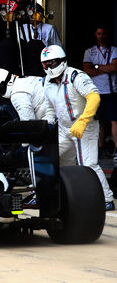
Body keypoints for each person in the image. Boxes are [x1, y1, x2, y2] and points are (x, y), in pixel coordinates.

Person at [41, 45, 114, 211]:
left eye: (51, 63)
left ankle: (106, 198)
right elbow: (49, 109)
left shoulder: (75, 75)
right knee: (47, 157)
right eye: (45, 64)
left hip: (85, 126)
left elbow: (94, 97)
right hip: (63, 128)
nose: (49, 67)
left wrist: (83, 121)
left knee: (88, 165)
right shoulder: (46, 81)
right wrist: (47, 126)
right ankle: (60, 193)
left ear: (61, 61)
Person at [82, 25, 117, 163]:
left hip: (111, 90)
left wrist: (95, 66)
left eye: (103, 33)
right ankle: (100, 148)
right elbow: (86, 70)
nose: (101, 36)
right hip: (95, 92)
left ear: (107, 35)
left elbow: (114, 67)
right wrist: (105, 69)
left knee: (114, 121)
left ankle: (116, 149)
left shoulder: (114, 50)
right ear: (95, 35)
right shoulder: (89, 52)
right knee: (98, 122)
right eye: (98, 33)